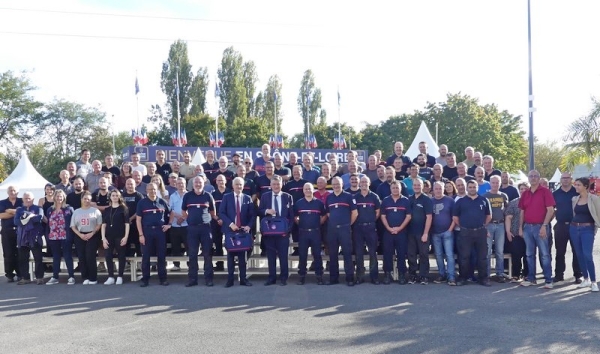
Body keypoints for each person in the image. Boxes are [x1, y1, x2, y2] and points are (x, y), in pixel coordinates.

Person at [518, 170, 555, 288]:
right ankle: (531, 278)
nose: (533, 178)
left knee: (544, 254)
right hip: (527, 227)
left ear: (539, 178)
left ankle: (548, 280)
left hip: (541, 226)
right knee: (529, 254)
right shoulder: (525, 193)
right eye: (531, 176)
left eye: (535, 176)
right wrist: (520, 227)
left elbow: (550, 210)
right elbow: (522, 212)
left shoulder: (545, 192)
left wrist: (544, 226)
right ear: (528, 178)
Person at [453, 180, 492, 287]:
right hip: (465, 232)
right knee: (464, 256)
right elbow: (455, 217)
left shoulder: (484, 200)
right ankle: (463, 277)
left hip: (480, 232)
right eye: (470, 187)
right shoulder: (461, 201)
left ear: (477, 188)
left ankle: (483, 278)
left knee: (482, 257)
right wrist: (463, 226)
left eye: (474, 187)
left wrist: (483, 225)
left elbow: (489, 216)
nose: (472, 189)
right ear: (467, 188)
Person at [219, 177, 256, 287]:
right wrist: (231, 224)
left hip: (243, 231)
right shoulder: (226, 197)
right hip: (230, 231)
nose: (239, 187)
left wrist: (249, 226)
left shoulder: (247, 198)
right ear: (233, 186)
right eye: (237, 184)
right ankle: (230, 280)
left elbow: (252, 215)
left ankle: (243, 279)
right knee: (230, 256)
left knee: (242, 258)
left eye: (240, 184)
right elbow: (221, 213)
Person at [181, 176, 216, 287]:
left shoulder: (208, 196)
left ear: (204, 183)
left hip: (205, 228)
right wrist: (190, 219)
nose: (198, 184)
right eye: (196, 182)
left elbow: (212, 211)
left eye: (200, 182)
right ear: (192, 184)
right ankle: (192, 279)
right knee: (192, 255)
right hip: (192, 229)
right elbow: (183, 211)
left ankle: (209, 279)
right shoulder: (187, 196)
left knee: (207, 254)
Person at [259, 175, 294, 286]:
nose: (276, 186)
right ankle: (271, 278)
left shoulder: (287, 197)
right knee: (271, 256)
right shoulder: (265, 196)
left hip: (283, 232)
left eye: (278, 184)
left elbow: (292, 215)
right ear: (270, 185)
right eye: (274, 184)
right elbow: (259, 211)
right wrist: (266, 211)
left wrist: (288, 229)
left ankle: (284, 278)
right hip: (269, 232)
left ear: (281, 184)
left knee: (283, 256)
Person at [136, 183, 171, 287]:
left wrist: (168, 224)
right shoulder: (142, 203)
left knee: (161, 256)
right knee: (146, 256)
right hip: (147, 232)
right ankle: (145, 279)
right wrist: (141, 235)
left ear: (157, 190)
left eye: (154, 189)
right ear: (147, 190)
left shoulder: (162, 201)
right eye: (150, 189)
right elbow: (138, 220)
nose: (152, 191)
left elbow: (171, 213)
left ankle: (163, 279)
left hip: (160, 232)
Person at [325, 177, 358, 286]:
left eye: (338, 184)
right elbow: (328, 213)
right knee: (333, 254)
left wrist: (348, 224)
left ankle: (349, 278)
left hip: (345, 229)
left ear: (342, 184)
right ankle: (333, 278)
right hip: (332, 229)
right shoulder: (329, 197)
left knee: (347, 254)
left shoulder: (348, 196)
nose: (336, 186)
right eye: (334, 184)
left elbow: (355, 213)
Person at [551, 172, 582, 284]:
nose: (565, 180)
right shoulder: (555, 194)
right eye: (563, 178)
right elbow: (551, 210)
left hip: (575, 225)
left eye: (567, 178)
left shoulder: (577, 192)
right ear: (560, 180)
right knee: (560, 252)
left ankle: (578, 275)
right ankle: (559, 275)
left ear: (571, 179)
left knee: (577, 251)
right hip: (560, 226)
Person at [570, 177, 599, 292]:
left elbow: (598, 215)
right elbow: (574, 213)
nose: (576, 187)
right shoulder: (574, 199)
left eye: (578, 185)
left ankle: (593, 282)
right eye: (575, 184)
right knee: (579, 254)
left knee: (587, 255)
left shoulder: (595, 199)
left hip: (588, 229)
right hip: (574, 228)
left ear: (586, 186)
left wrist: (594, 229)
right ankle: (585, 279)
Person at [380, 180, 412, 284]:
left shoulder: (406, 200)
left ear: (400, 188)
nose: (395, 189)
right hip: (388, 232)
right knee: (387, 253)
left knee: (401, 254)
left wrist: (399, 228)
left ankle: (402, 274)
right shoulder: (385, 200)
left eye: (397, 187)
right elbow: (383, 216)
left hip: (402, 232)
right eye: (393, 188)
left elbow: (408, 216)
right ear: (390, 189)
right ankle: (387, 274)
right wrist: (389, 228)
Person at [294, 183, 326, 285]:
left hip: (315, 232)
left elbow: (324, 215)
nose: (308, 191)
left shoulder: (319, 203)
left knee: (317, 255)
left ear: (313, 190)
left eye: (309, 189)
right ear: (303, 191)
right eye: (306, 189)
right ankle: (302, 276)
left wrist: (318, 223)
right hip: (303, 233)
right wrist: (301, 224)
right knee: (302, 255)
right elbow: (295, 217)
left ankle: (319, 276)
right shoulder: (299, 203)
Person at [70, 191, 103, 285]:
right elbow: (73, 226)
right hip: (80, 235)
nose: (87, 201)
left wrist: (92, 233)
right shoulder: (76, 211)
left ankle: (93, 278)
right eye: (85, 199)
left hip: (93, 235)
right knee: (82, 257)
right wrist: (80, 235)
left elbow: (99, 224)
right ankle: (85, 277)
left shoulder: (95, 211)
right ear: (81, 199)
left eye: (88, 199)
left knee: (90, 256)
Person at [353, 176, 381, 284]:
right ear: (360, 184)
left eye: (366, 182)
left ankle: (374, 276)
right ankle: (360, 276)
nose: (364, 183)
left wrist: (372, 220)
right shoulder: (355, 197)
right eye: (362, 182)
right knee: (359, 253)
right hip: (358, 228)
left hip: (370, 227)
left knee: (372, 253)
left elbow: (378, 211)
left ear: (369, 183)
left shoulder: (374, 197)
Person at [45, 190, 76, 285]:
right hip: (53, 236)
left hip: (66, 235)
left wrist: (71, 236)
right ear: (54, 197)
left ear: (64, 197)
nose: (59, 198)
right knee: (56, 256)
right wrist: (48, 236)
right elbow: (48, 223)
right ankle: (55, 277)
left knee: (67, 256)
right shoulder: (50, 209)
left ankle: (71, 276)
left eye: (61, 196)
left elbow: (73, 223)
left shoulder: (69, 209)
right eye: (57, 196)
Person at [15, 192, 45, 285]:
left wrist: (25, 217)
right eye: (25, 198)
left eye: (29, 198)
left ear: (33, 199)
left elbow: (39, 218)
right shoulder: (19, 209)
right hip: (22, 238)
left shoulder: (38, 208)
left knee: (38, 258)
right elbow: (16, 222)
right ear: (22, 199)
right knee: (23, 259)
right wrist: (31, 216)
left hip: (35, 237)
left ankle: (39, 277)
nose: (27, 200)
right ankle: (25, 277)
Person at [407, 179, 433, 284]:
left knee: (423, 255)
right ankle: (412, 275)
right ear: (412, 186)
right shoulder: (409, 199)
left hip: (422, 232)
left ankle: (424, 276)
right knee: (411, 255)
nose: (417, 187)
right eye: (415, 185)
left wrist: (426, 233)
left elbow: (429, 217)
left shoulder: (426, 200)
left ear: (423, 186)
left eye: (419, 185)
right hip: (410, 233)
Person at [483, 175, 509, 282]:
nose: (495, 184)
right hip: (489, 225)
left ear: (500, 183)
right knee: (487, 251)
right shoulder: (485, 196)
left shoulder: (504, 196)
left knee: (499, 251)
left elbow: (507, 212)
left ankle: (500, 273)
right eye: (493, 183)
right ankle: (487, 274)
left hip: (500, 225)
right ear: (490, 183)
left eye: (497, 182)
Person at [101, 190, 129, 285]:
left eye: (117, 195)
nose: (115, 197)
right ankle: (110, 276)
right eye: (113, 195)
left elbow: (127, 224)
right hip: (108, 236)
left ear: (119, 197)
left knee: (121, 256)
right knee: (108, 256)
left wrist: (125, 237)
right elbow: (103, 225)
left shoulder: (123, 209)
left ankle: (120, 276)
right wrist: (103, 238)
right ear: (110, 197)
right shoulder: (107, 210)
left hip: (120, 236)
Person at [431, 181, 457, 285]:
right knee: (438, 255)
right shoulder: (430, 201)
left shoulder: (450, 201)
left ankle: (451, 277)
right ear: (433, 190)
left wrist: (450, 229)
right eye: (436, 188)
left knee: (449, 255)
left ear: (443, 189)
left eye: (440, 188)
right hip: (435, 233)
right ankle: (442, 274)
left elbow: (455, 217)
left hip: (447, 232)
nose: (438, 190)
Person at [505, 182, 530, 282]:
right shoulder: (514, 203)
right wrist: (508, 231)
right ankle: (516, 274)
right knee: (516, 255)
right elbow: (508, 218)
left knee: (528, 255)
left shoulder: (532, 202)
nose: (523, 190)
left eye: (525, 189)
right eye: (521, 189)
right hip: (515, 233)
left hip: (529, 232)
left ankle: (527, 274)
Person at [283, 165, 308, 256]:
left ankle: (304, 248)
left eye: (298, 171)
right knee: (294, 231)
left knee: (304, 230)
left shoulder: (306, 183)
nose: (296, 173)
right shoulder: (288, 184)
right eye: (295, 171)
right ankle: (296, 249)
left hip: (304, 210)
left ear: (302, 172)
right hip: (292, 210)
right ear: (292, 173)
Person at [0, 186, 23, 282]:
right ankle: (9, 274)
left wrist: (9, 211)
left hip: (20, 230)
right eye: (10, 191)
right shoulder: (2, 202)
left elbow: (24, 213)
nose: (12, 192)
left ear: (17, 192)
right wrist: (16, 212)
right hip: (7, 231)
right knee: (8, 253)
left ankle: (20, 273)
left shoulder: (22, 201)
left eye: (14, 190)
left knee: (20, 252)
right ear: (7, 192)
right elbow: (1, 215)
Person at [168, 177, 188, 272]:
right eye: (178, 183)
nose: (180, 185)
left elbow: (191, 209)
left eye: (182, 183)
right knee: (175, 246)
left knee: (189, 245)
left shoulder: (190, 195)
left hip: (187, 225)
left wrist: (183, 217)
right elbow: (170, 209)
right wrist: (178, 217)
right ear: (176, 185)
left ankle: (190, 264)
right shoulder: (172, 196)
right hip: (175, 225)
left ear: (185, 184)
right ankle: (176, 265)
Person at [211, 175, 230, 271]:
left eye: (222, 180)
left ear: (225, 181)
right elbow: (210, 209)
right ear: (216, 182)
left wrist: (225, 219)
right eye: (218, 180)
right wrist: (217, 218)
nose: (220, 182)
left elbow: (232, 209)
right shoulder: (213, 194)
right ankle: (220, 265)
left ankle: (232, 263)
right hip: (216, 221)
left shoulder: (230, 193)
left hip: (228, 222)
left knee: (229, 242)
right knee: (217, 243)